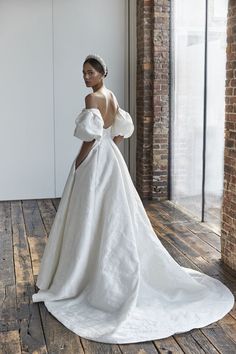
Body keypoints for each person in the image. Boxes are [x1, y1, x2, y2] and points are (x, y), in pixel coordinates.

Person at [32, 54, 234, 344]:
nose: (85, 77)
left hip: (95, 161)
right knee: (114, 213)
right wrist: (109, 147)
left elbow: (89, 138)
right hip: (112, 160)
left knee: (90, 212)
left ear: (102, 73)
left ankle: (80, 271)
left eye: (90, 72)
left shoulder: (92, 100)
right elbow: (121, 131)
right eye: (83, 73)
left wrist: (79, 163)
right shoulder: (111, 96)